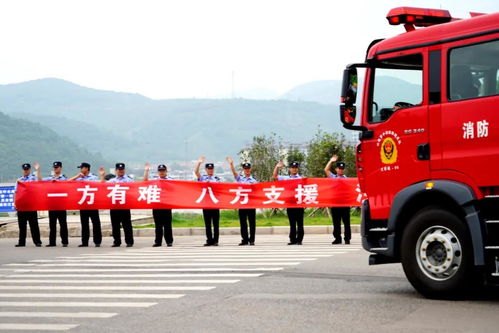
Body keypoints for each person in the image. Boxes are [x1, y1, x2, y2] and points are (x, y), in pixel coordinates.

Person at [69, 162, 102, 247]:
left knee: (96, 223)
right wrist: (77, 176)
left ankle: (97, 241)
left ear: (86, 168)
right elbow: (68, 182)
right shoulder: (79, 178)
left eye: (82, 168)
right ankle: (84, 242)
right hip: (83, 203)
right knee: (84, 224)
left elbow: (100, 185)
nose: (81, 169)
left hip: (93, 203)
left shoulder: (94, 177)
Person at [101, 163, 134, 247]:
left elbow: (134, 189)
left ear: (124, 170)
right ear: (116, 170)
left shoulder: (129, 180)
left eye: (122, 169)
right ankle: (117, 241)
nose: (121, 171)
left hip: (125, 205)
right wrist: (102, 175)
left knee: (127, 225)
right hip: (114, 205)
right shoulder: (112, 181)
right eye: (119, 170)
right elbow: (103, 185)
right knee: (115, 225)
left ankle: (129, 241)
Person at [227, 157, 257, 246]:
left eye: (248, 169)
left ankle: (252, 240)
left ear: (250, 169)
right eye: (245, 169)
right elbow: (234, 173)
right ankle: (244, 239)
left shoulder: (254, 180)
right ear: (243, 170)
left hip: (251, 204)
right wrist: (231, 164)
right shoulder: (240, 179)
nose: (247, 170)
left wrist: (253, 186)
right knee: (243, 222)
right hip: (242, 204)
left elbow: (258, 191)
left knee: (252, 222)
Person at [273, 161, 304, 245]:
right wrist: (277, 167)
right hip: (290, 203)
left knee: (300, 223)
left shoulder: (301, 178)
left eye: (296, 168)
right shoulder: (286, 178)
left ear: (298, 169)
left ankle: (299, 239)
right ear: (289, 169)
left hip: (299, 203)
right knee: (292, 223)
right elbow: (275, 176)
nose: (294, 169)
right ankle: (293, 239)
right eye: (292, 167)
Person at [144, 163, 174, 247]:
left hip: (166, 205)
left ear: (166, 171)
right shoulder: (154, 180)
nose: (161, 172)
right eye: (160, 171)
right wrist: (146, 171)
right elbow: (145, 182)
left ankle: (169, 241)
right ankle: (158, 241)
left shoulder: (171, 180)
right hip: (156, 204)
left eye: (163, 171)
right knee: (158, 225)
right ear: (158, 172)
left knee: (167, 224)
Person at [39, 161, 68, 247]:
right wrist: (38, 170)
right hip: (52, 204)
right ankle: (52, 242)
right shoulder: (49, 178)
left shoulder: (64, 178)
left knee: (63, 224)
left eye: (57, 167)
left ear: (61, 168)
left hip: (61, 204)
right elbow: (40, 181)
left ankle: (65, 241)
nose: (56, 169)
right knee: (52, 224)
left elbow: (68, 185)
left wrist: (58, 182)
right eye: (55, 167)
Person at [324, 155, 351, 245]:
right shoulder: (333, 177)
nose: (341, 170)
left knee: (346, 222)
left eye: (342, 169)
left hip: (345, 204)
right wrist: (331, 161)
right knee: (336, 222)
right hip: (335, 203)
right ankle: (337, 238)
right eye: (339, 168)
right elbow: (326, 170)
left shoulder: (347, 179)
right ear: (336, 169)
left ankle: (347, 238)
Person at [14, 163, 42, 247]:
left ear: (29, 170)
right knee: (22, 225)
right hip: (22, 205)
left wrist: (38, 170)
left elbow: (40, 181)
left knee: (34, 225)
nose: (26, 171)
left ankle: (37, 241)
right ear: (22, 170)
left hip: (31, 205)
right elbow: (16, 192)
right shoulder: (19, 179)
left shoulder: (32, 178)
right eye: (24, 169)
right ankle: (21, 242)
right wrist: (15, 203)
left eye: (27, 169)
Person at [194, 156, 221, 246]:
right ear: (206, 169)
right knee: (208, 224)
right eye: (209, 169)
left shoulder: (217, 179)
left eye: (211, 169)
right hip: (206, 204)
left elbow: (220, 190)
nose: (210, 170)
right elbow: (196, 172)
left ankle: (216, 240)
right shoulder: (203, 178)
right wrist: (199, 163)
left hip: (215, 204)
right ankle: (209, 240)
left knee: (216, 224)